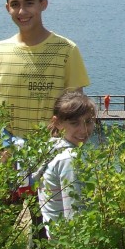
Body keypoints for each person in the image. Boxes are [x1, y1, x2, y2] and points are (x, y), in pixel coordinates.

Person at [0, 0, 90, 187]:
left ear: (43, 4)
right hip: (8, 146)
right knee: (4, 213)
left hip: (50, 146)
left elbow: (77, 106)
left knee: (45, 216)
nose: (22, 12)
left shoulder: (66, 50)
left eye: (29, 3)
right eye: (15, 5)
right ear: (7, 8)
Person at [37, 92, 97, 238]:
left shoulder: (51, 147)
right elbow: (75, 213)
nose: (83, 130)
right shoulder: (69, 159)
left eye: (88, 121)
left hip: (56, 241)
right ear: (57, 122)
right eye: (74, 123)